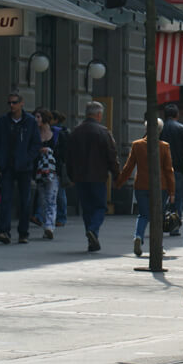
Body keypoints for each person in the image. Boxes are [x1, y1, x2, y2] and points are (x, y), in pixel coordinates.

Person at [115, 118, 175, 257]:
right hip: (161, 186)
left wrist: (119, 182)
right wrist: (172, 191)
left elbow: (128, 166)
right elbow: (168, 170)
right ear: (160, 130)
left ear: (146, 129)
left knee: (143, 214)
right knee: (158, 216)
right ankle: (158, 246)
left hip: (141, 185)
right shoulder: (164, 146)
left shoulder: (137, 145)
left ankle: (138, 236)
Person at [66, 100, 120, 252]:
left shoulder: (75, 132)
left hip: (80, 177)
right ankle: (93, 229)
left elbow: (68, 157)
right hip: (98, 176)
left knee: (87, 208)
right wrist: (117, 176)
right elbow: (111, 156)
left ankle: (91, 237)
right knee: (100, 207)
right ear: (98, 114)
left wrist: (71, 176)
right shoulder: (103, 132)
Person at [0, 92, 40, 245]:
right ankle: (4, 231)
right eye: (9, 103)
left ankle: (23, 233)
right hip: (7, 165)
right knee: (5, 199)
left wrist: (27, 158)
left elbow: (35, 143)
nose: (11, 106)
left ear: (21, 103)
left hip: (24, 167)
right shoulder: (3, 121)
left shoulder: (30, 122)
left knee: (24, 201)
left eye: (14, 102)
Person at [32, 108, 68, 241]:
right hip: (39, 171)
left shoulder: (58, 134)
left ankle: (49, 226)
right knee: (42, 199)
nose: (36, 120)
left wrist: (51, 152)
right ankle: (46, 224)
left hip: (53, 171)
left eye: (38, 117)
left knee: (51, 198)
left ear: (45, 118)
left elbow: (64, 154)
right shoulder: (34, 134)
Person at [160, 103, 183, 236]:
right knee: (177, 198)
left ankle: (159, 225)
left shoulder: (158, 129)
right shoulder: (182, 129)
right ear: (177, 115)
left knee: (161, 198)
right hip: (177, 169)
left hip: (160, 171)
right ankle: (174, 227)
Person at [51, 110, 68, 227]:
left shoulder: (60, 132)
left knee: (60, 192)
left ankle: (61, 217)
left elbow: (64, 150)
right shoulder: (51, 131)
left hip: (58, 165)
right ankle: (59, 217)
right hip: (55, 164)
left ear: (56, 120)